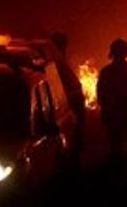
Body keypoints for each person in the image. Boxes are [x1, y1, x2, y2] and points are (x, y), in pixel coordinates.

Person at [96, 38, 127, 163]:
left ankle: (118, 168)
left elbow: (100, 93)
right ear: (126, 53)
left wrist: (105, 106)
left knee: (116, 144)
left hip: (115, 112)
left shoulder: (106, 72)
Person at [50, 31, 87, 166]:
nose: (64, 48)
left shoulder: (60, 62)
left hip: (68, 113)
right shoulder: (54, 64)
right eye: (61, 45)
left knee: (72, 147)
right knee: (68, 151)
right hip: (62, 114)